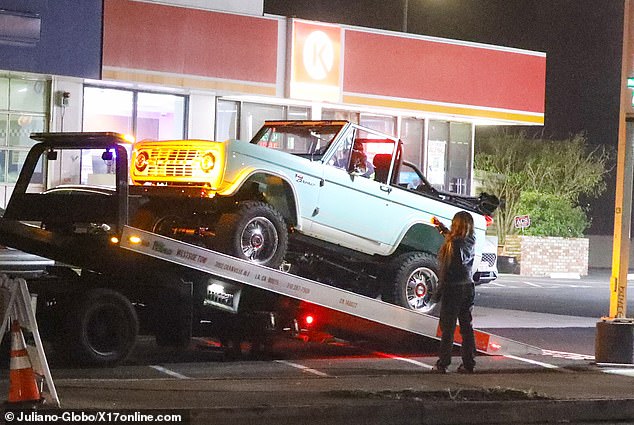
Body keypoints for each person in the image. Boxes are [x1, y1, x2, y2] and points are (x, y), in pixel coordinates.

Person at [431, 211, 477, 374]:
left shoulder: (453, 245)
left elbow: (447, 271)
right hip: (468, 287)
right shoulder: (471, 240)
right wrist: (441, 228)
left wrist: (438, 292)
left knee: (448, 328)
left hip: (453, 288)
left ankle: (443, 363)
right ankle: (469, 362)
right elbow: (455, 238)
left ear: (456, 224)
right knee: (466, 326)